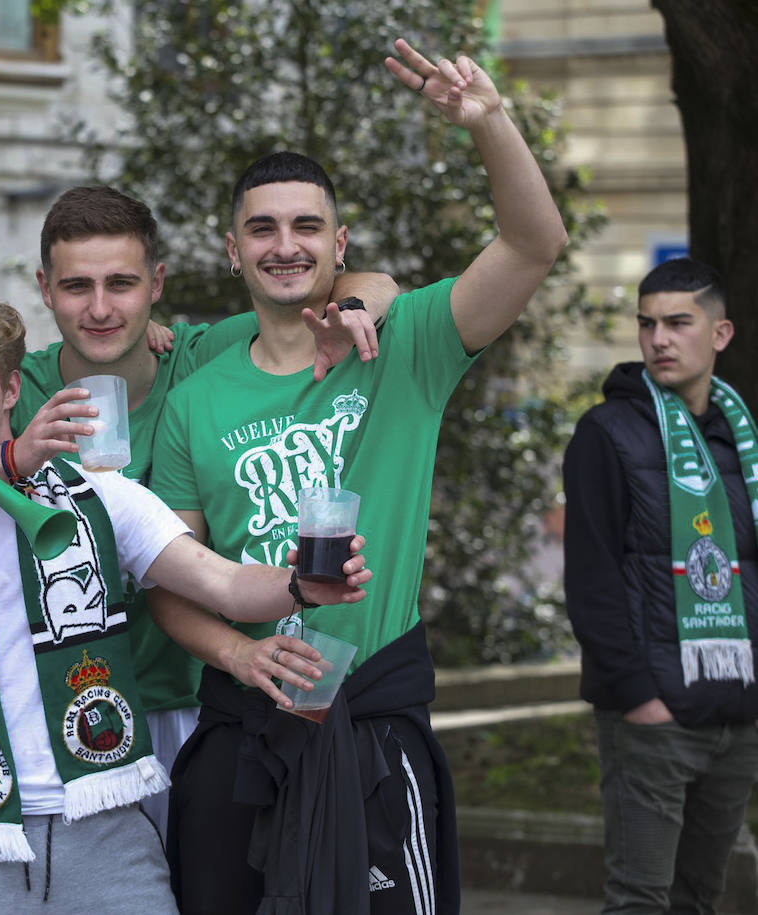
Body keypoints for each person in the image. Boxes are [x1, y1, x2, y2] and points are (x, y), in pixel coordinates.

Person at [146, 38, 568, 914]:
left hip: (372, 720)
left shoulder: (409, 342)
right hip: (245, 721)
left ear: (339, 243)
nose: (285, 244)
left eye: (306, 226)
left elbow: (534, 244)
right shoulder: (195, 401)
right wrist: (237, 651)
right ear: (232, 250)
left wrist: (489, 124)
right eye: (262, 227)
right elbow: (168, 573)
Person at [0, 184, 397, 831]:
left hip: (187, 696)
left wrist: (355, 303)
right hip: (55, 717)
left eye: (123, 284)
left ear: (156, 283)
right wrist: (14, 456)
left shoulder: (201, 359)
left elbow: (355, 285)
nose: (101, 308)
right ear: (45, 289)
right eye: (78, 286)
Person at [564, 257, 758, 914]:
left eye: (679, 323)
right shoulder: (606, 434)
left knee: (700, 897)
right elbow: (591, 578)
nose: (659, 340)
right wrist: (639, 697)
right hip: (653, 719)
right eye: (648, 325)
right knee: (641, 900)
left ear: (720, 334)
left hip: (736, 712)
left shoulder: (743, 437)